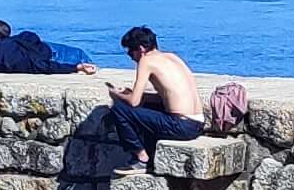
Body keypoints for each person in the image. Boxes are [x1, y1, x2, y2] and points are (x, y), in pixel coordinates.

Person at [84, 26, 206, 158]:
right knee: (147, 107)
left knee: (119, 109)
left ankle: (140, 156)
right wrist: (135, 94)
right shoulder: (172, 57)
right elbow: (166, 97)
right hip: (197, 124)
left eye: (131, 52)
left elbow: (134, 102)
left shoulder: (146, 61)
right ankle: (151, 153)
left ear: (141, 49)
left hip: (181, 126)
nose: (131, 57)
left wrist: (116, 94)